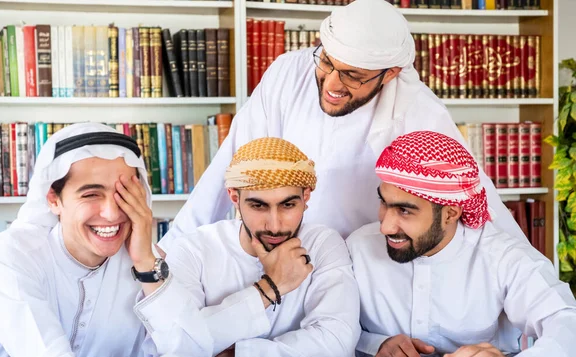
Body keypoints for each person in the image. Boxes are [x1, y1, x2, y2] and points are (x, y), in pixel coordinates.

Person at [158, 0, 524, 252]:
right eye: (327, 63)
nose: (332, 83)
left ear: (390, 74)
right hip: (283, 254)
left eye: (352, 75)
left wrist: (523, 274)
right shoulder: (289, 72)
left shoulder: (418, 108)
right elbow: (230, 168)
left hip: (375, 268)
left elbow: (473, 197)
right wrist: (168, 260)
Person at [0, 123, 213, 357]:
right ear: (54, 199)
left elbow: (192, 356)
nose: (111, 214)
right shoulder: (9, 257)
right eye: (91, 194)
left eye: (123, 195)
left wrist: (146, 263)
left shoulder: (148, 263)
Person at [346, 130, 576, 357]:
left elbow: (566, 321)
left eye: (405, 210)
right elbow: (331, 324)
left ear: (451, 213)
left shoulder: (502, 255)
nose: (385, 226)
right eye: (384, 203)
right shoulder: (359, 246)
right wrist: (376, 345)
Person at [163, 137, 360, 357]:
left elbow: (337, 348)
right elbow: (177, 348)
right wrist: (270, 287)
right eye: (259, 206)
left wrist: (239, 355)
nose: (275, 226)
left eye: (288, 205)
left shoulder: (323, 244)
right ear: (235, 198)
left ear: (306, 197)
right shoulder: (192, 249)